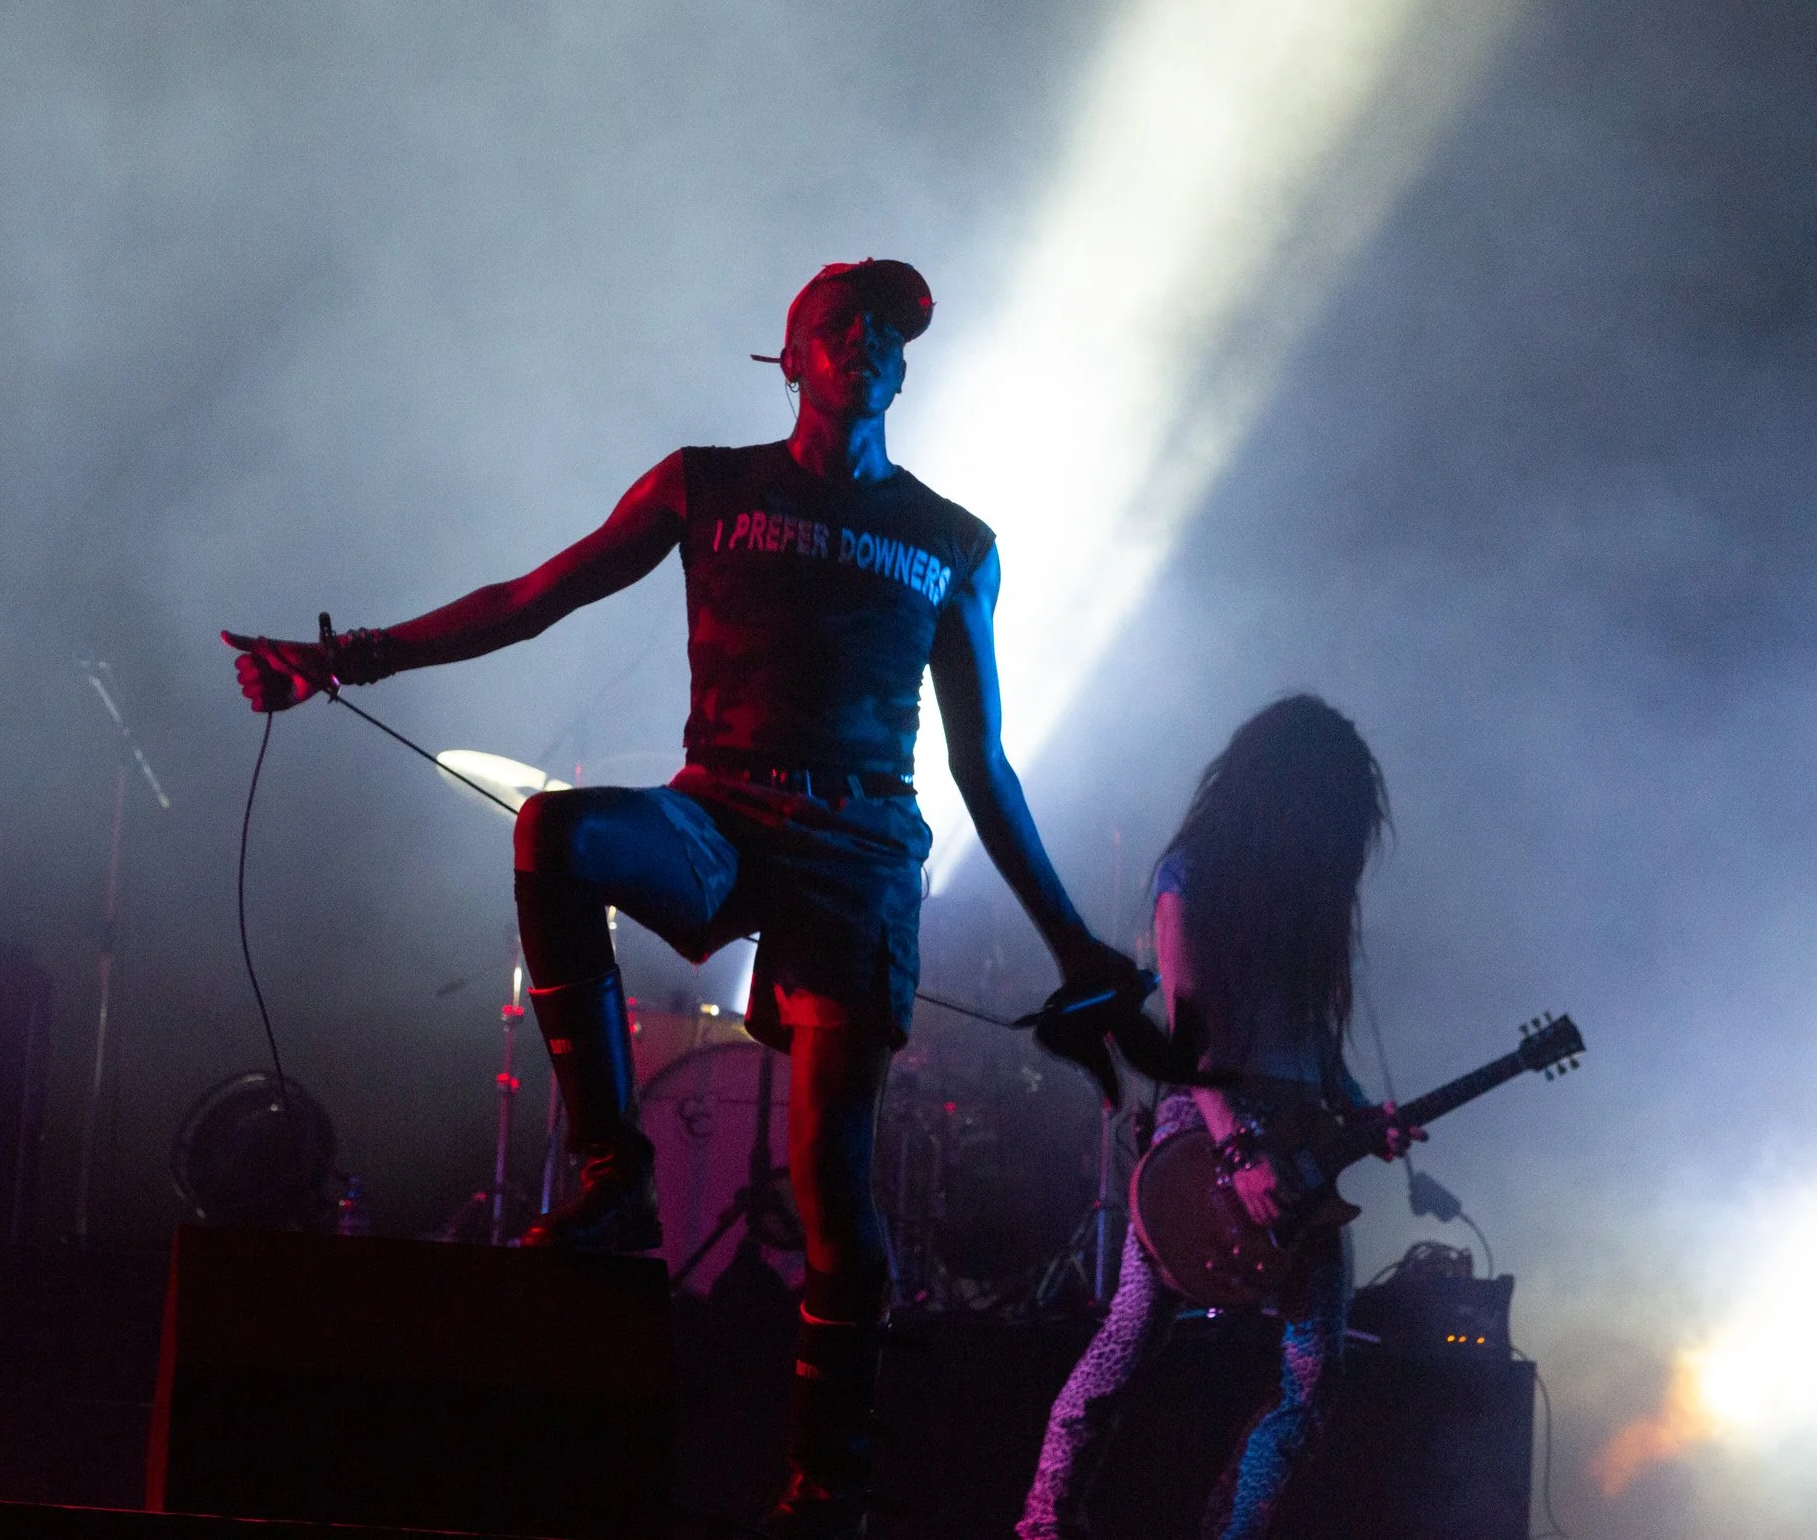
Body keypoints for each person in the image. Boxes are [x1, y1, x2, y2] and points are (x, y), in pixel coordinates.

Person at [227, 259, 1179, 1539]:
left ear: (903, 370)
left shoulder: (954, 543)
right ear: (789, 357)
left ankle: (826, 1487)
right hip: (719, 812)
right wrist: (346, 658)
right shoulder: (706, 484)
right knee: (557, 830)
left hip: (857, 849)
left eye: (886, 331)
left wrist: (1073, 946)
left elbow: (981, 763)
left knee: (832, 1179)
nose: (866, 340)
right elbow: (535, 597)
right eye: (839, 324)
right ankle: (613, 1169)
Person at [1014, 694, 1419, 1540]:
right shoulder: (1193, 874)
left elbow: (1313, 1040)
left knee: (1316, 1372)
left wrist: (1358, 1111)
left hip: (1300, 1136)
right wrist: (1236, 1145)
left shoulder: (1311, 901)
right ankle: (1044, 1522)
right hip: (1206, 1131)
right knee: (1129, 1338)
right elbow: (1190, 1034)